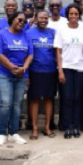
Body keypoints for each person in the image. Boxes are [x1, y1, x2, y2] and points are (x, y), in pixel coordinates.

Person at [0, 11, 33, 146]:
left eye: (24, 21)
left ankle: (14, 133)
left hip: (21, 75)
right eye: (19, 20)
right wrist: (12, 68)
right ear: (12, 20)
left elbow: (30, 55)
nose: (22, 22)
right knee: (5, 103)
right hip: (4, 74)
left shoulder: (26, 36)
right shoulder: (1, 34)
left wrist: (24, 68)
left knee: (16, 105)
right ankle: (2, 133)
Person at [54, 3, 83, 139]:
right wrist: (60, 71)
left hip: (80, 68)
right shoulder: (61, 30)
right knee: (67, 98)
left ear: (79, 15)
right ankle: (67, 126)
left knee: (77, 98)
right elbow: (58, 51)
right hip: (66, 67)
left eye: (75, 14)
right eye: (71, 14)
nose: (73, 16)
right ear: (67, 15)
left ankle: (75, 126)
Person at [26, 11, 57, 140]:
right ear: (35, 19)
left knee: (49, 99)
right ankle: (34, 128)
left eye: (46, 18)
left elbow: (57, 52)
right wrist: (26, 73)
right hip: (35, 71)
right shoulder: (29, 33)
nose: (43, 20)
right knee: (35, 100)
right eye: (41, 18)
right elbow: (26, 53)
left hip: (50, 71)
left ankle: (47, 127)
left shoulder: (53, 33)